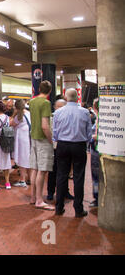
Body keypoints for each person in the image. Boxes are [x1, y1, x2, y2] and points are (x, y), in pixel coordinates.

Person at [53, 88, 92, 218]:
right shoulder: (85, 112)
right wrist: (85, 143)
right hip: (79, 145)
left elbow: (55, 132)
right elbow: (89, 133)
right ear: (77, 98)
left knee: (61, 176)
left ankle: (59, 207)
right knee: (78, 177)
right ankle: (78, 209)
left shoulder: (58, 112)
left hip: (63, 145)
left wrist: (58, 141)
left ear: (66, 97)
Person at [29, 81, 55, 210]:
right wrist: (51, 140)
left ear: (39, 89)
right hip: (43, 139)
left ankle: (33, 197)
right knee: (42, 170)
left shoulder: (32, 101)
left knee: (34, 168)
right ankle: (39, 200)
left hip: (33, 137)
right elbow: (45, 125)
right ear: (50, 91)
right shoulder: (46, 103)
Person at [47, 99, 74, 201]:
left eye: (61, 106)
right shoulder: (51, 118)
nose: (58, 108)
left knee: (64, 171)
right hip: (55, 147)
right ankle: (50, 192)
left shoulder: (68, 117)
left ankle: (64, 191)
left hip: (65, 146)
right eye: (57, 106)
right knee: (53, 171)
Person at [10, 99, 31, 187]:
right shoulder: (29, 113)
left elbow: (11, 124)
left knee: (22, 159)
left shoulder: (18, 116)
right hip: (28, 138)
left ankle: (22, 180)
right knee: (28, 158)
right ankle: (29, 178)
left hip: (21, 139)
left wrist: (13, 114)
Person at [89, 98, 100, 208]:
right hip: (96, 150)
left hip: (96, 151)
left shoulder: (99, 120)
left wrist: (89, 137)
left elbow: (97, 136)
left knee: (96, 176)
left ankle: (97, 198)